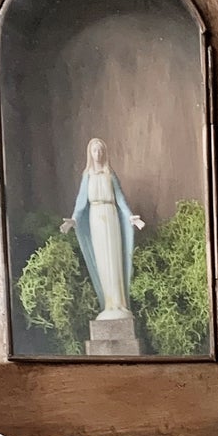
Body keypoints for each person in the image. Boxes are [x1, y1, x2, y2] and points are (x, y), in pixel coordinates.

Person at [60, 137, 145, 320]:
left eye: (100, 150)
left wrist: (130, 217)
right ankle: (108, 303)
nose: (97, 154)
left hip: (111, 217)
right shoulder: (87, 176)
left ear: (104, 153)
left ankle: (119, 303)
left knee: (114, 258)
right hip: (96, 219)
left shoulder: (109, 175)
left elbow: (120, 199)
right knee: (102, 260)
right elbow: (81, 201)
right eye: (94, 151)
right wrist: (73, 219)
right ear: (90, 154)